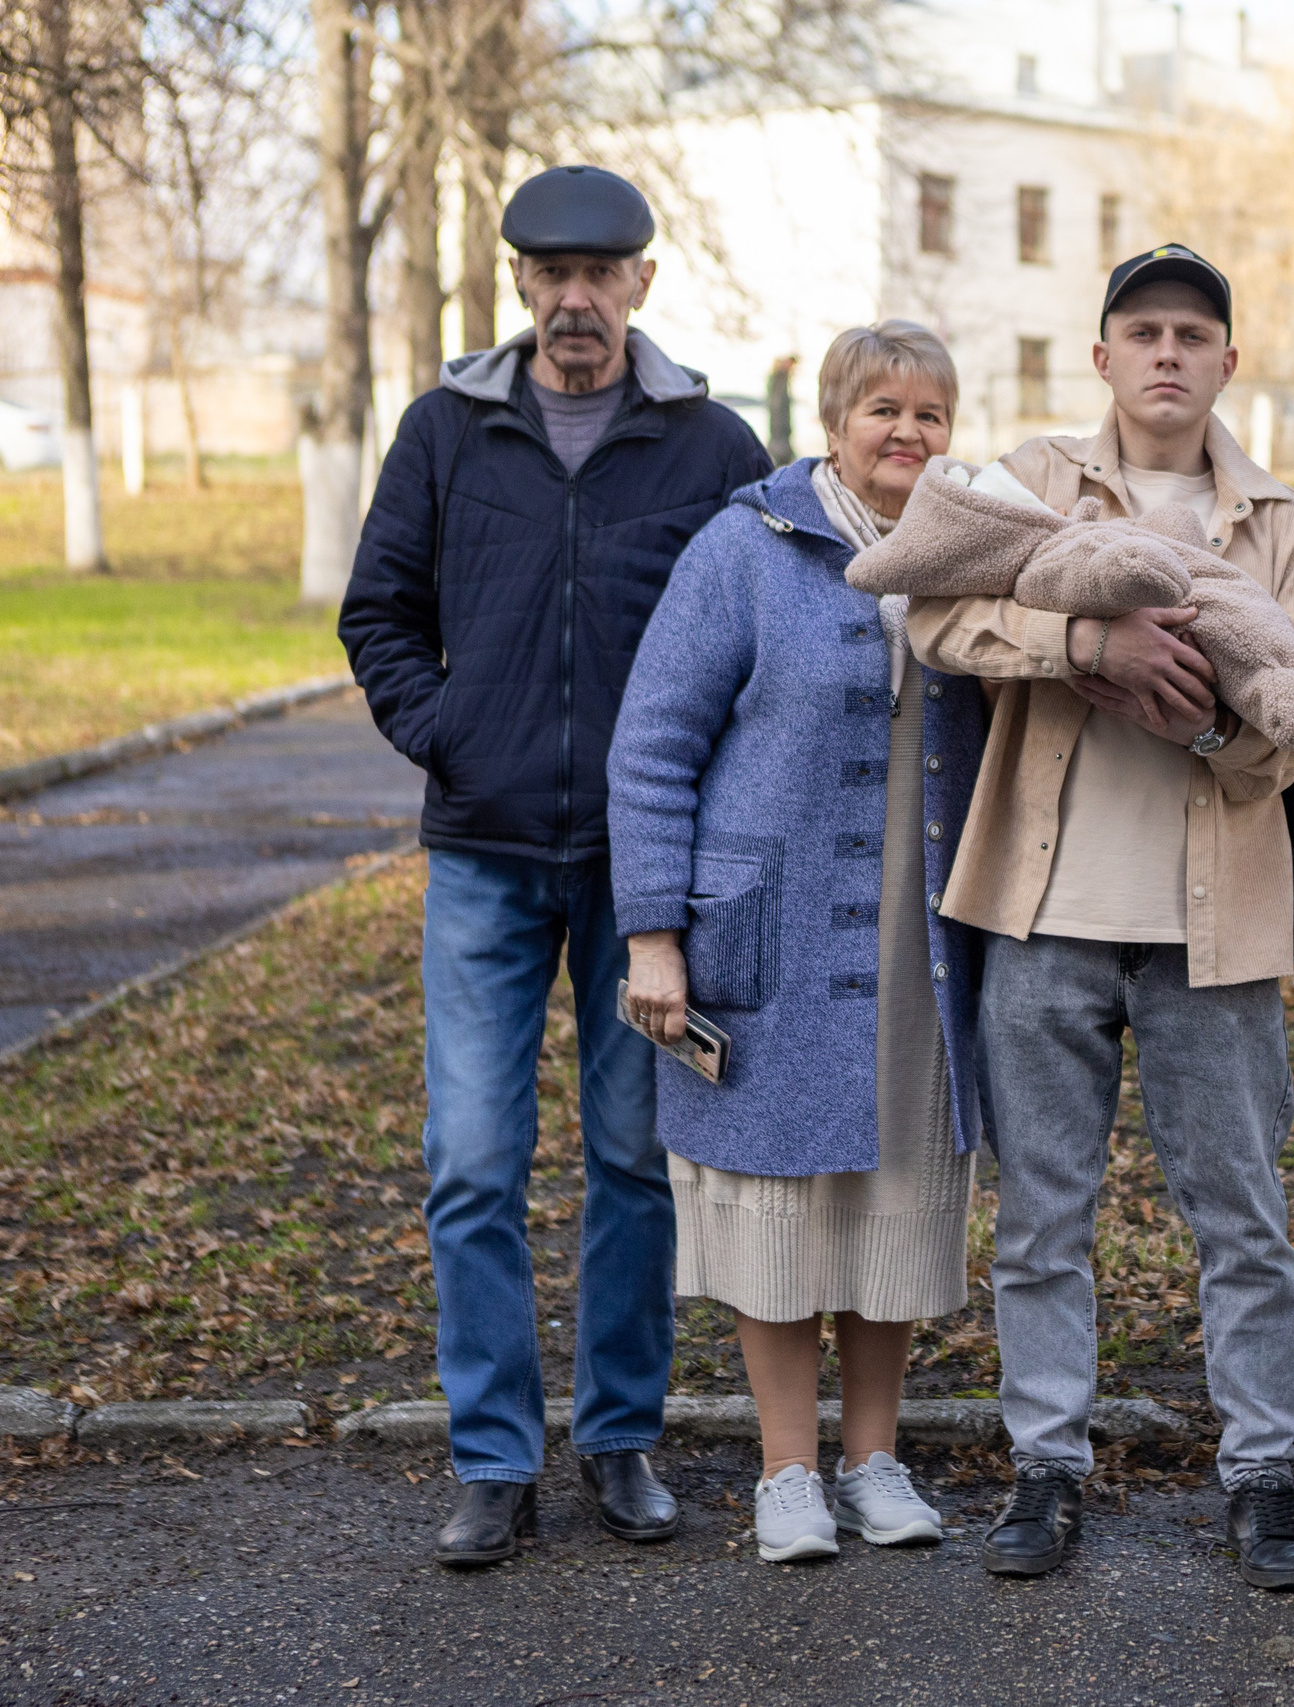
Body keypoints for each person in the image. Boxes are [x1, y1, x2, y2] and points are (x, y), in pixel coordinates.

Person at [338, 165, 772, 1568]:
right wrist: (450, 734)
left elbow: (760, 631)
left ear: (642, 280)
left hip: (646, 872)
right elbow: (378, 611)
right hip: (485, 851)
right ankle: (492, 1458)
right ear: (520, 282)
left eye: (601, 273)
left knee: (633, 1160)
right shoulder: (445, 431)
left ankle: (621, 1438)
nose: (576, 298)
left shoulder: (712, 446)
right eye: (552, 273)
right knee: (471, 1162)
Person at [903, 244, 1294, 1589]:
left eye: (1192, 335)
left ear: (1227, 361)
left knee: (1243, 1220)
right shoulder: (1032, 481)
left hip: (1216, 934)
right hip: (1042, 916)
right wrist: (1087, 645)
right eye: (1143, 332)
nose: (1167, 353)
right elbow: (936, 617)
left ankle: (1261, 1475)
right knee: (1043, 1217)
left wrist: (1202, 720)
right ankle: (1045, 1465)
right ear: (1102, 356)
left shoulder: (1286, 527)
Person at [606, 322, 988, 1565]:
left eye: (929, 414)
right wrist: (655, 937)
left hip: (919, 941)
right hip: (767, 936)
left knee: (891, 1197)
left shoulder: (971, 556)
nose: (907, 433)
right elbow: (652, 745)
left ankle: (874, 1461)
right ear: (833, 423)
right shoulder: (746, 548)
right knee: (777, 1206)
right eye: (883, 409)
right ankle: (786, 1473)